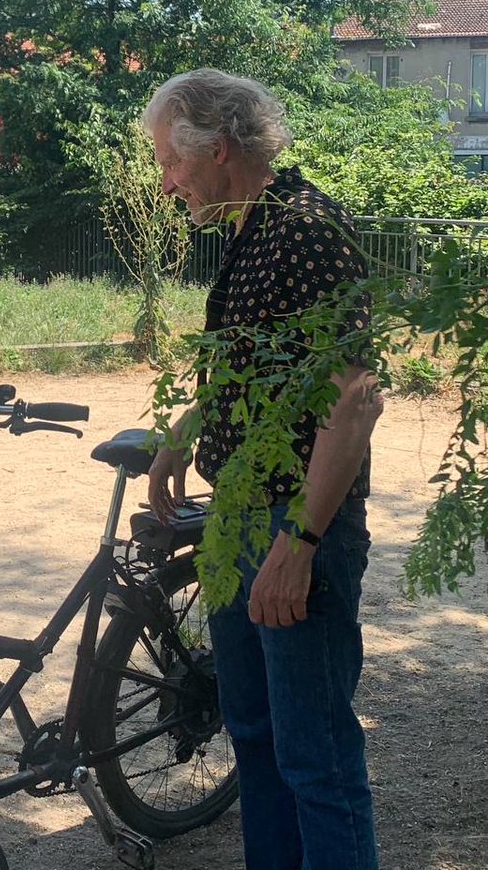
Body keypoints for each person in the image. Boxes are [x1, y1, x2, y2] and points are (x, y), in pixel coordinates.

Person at [143, 68, 382, 870]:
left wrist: (301, 543)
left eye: (170, 162)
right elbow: (258, 369)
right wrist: (185, 429)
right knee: (254, 735)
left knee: (314, 755)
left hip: (294, 525)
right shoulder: (254, 226)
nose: (166, 183)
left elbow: (354, 397)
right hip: (238, 519)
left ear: (216, 148)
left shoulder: (307, 228)